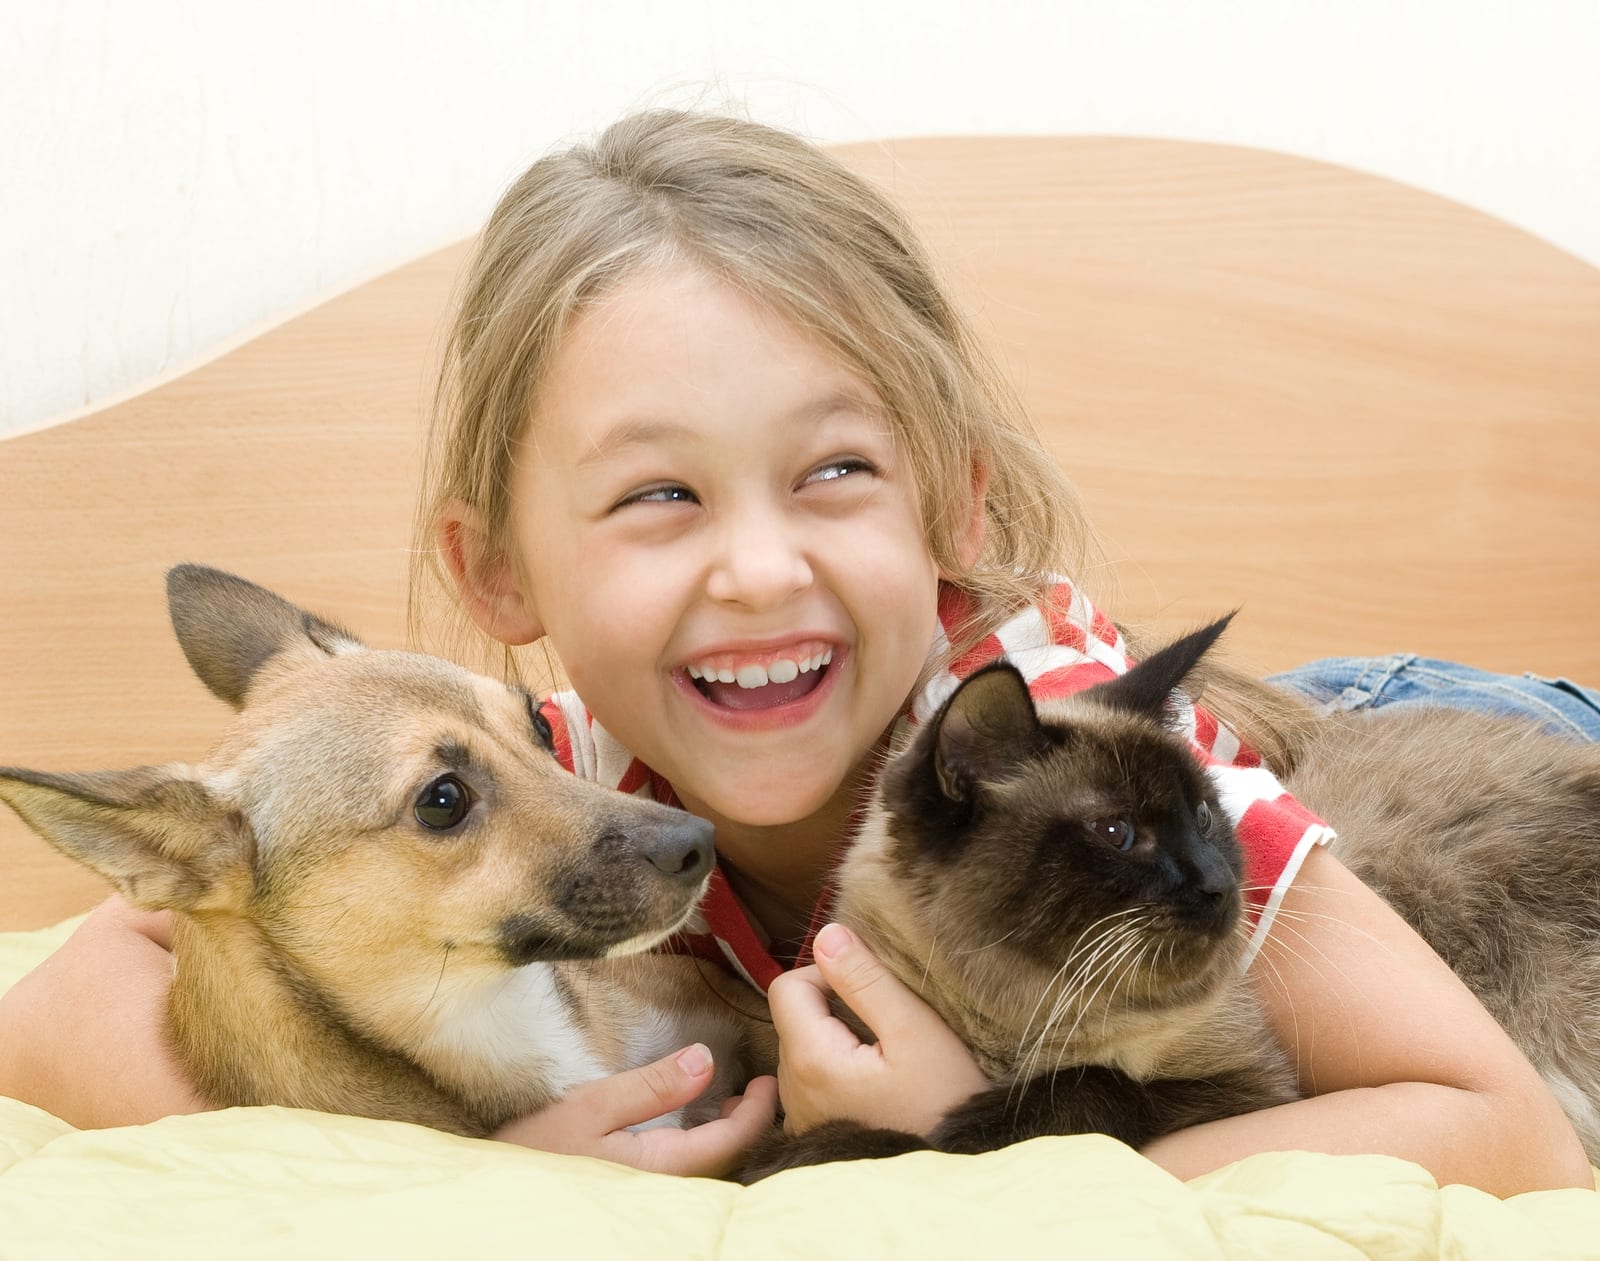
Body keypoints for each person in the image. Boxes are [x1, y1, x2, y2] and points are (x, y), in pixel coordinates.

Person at [0, 109, 1593, 1194]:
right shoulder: (560, 781)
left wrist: (981, 1146)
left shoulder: (1073, 742)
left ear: (950, 507)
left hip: (1422, 733)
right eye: (656, 493)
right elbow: (59, 995)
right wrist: (481, 1159)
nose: (757, 568)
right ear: (498, 572)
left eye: (833, 470)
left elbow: (1499, 1123)